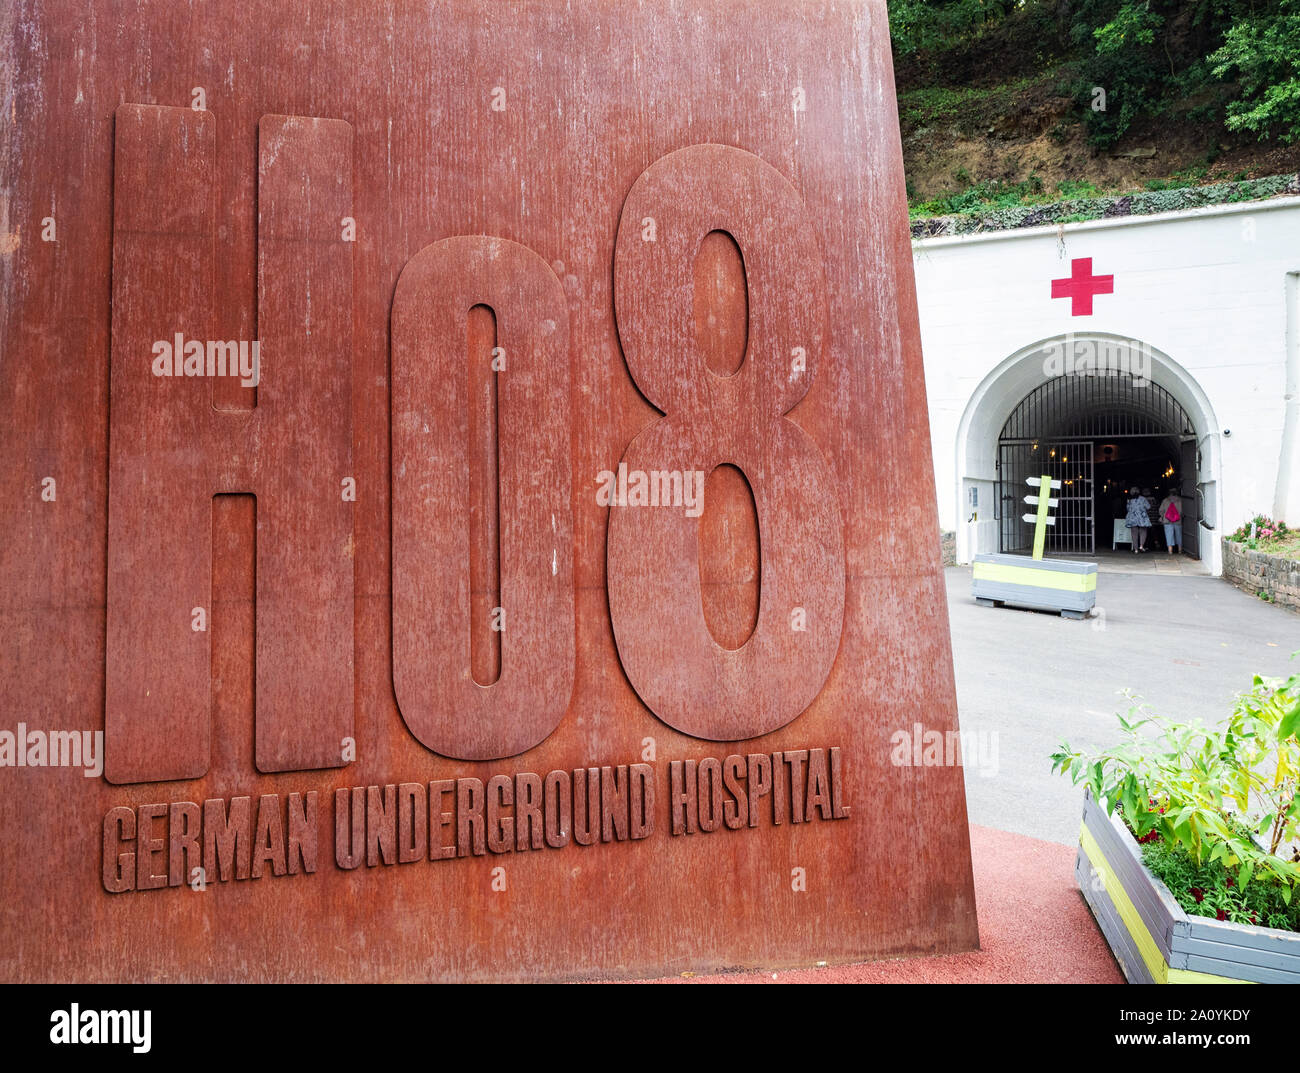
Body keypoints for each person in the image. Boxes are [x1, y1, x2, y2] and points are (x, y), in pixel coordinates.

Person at [1125, 487, 1152, 553]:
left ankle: (1136, 549)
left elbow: (1128, 509)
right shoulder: (1143, 499)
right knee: (1143, 531)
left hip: (1132, 518)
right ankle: (1141, 546)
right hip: (1142, 517)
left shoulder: (1130, 500)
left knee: (1134, 533)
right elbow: (1148, 507)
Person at [1159, 487, 1183, 554]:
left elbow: (1161, 510)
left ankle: (1170, 551)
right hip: (1178, 520)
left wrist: (1163, 516)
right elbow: (1182, 511)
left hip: (1167, 520)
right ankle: (1180, 550)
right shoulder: (1180, 500)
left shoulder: (1165, 500)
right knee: (1179, 535)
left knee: (1169, 535)